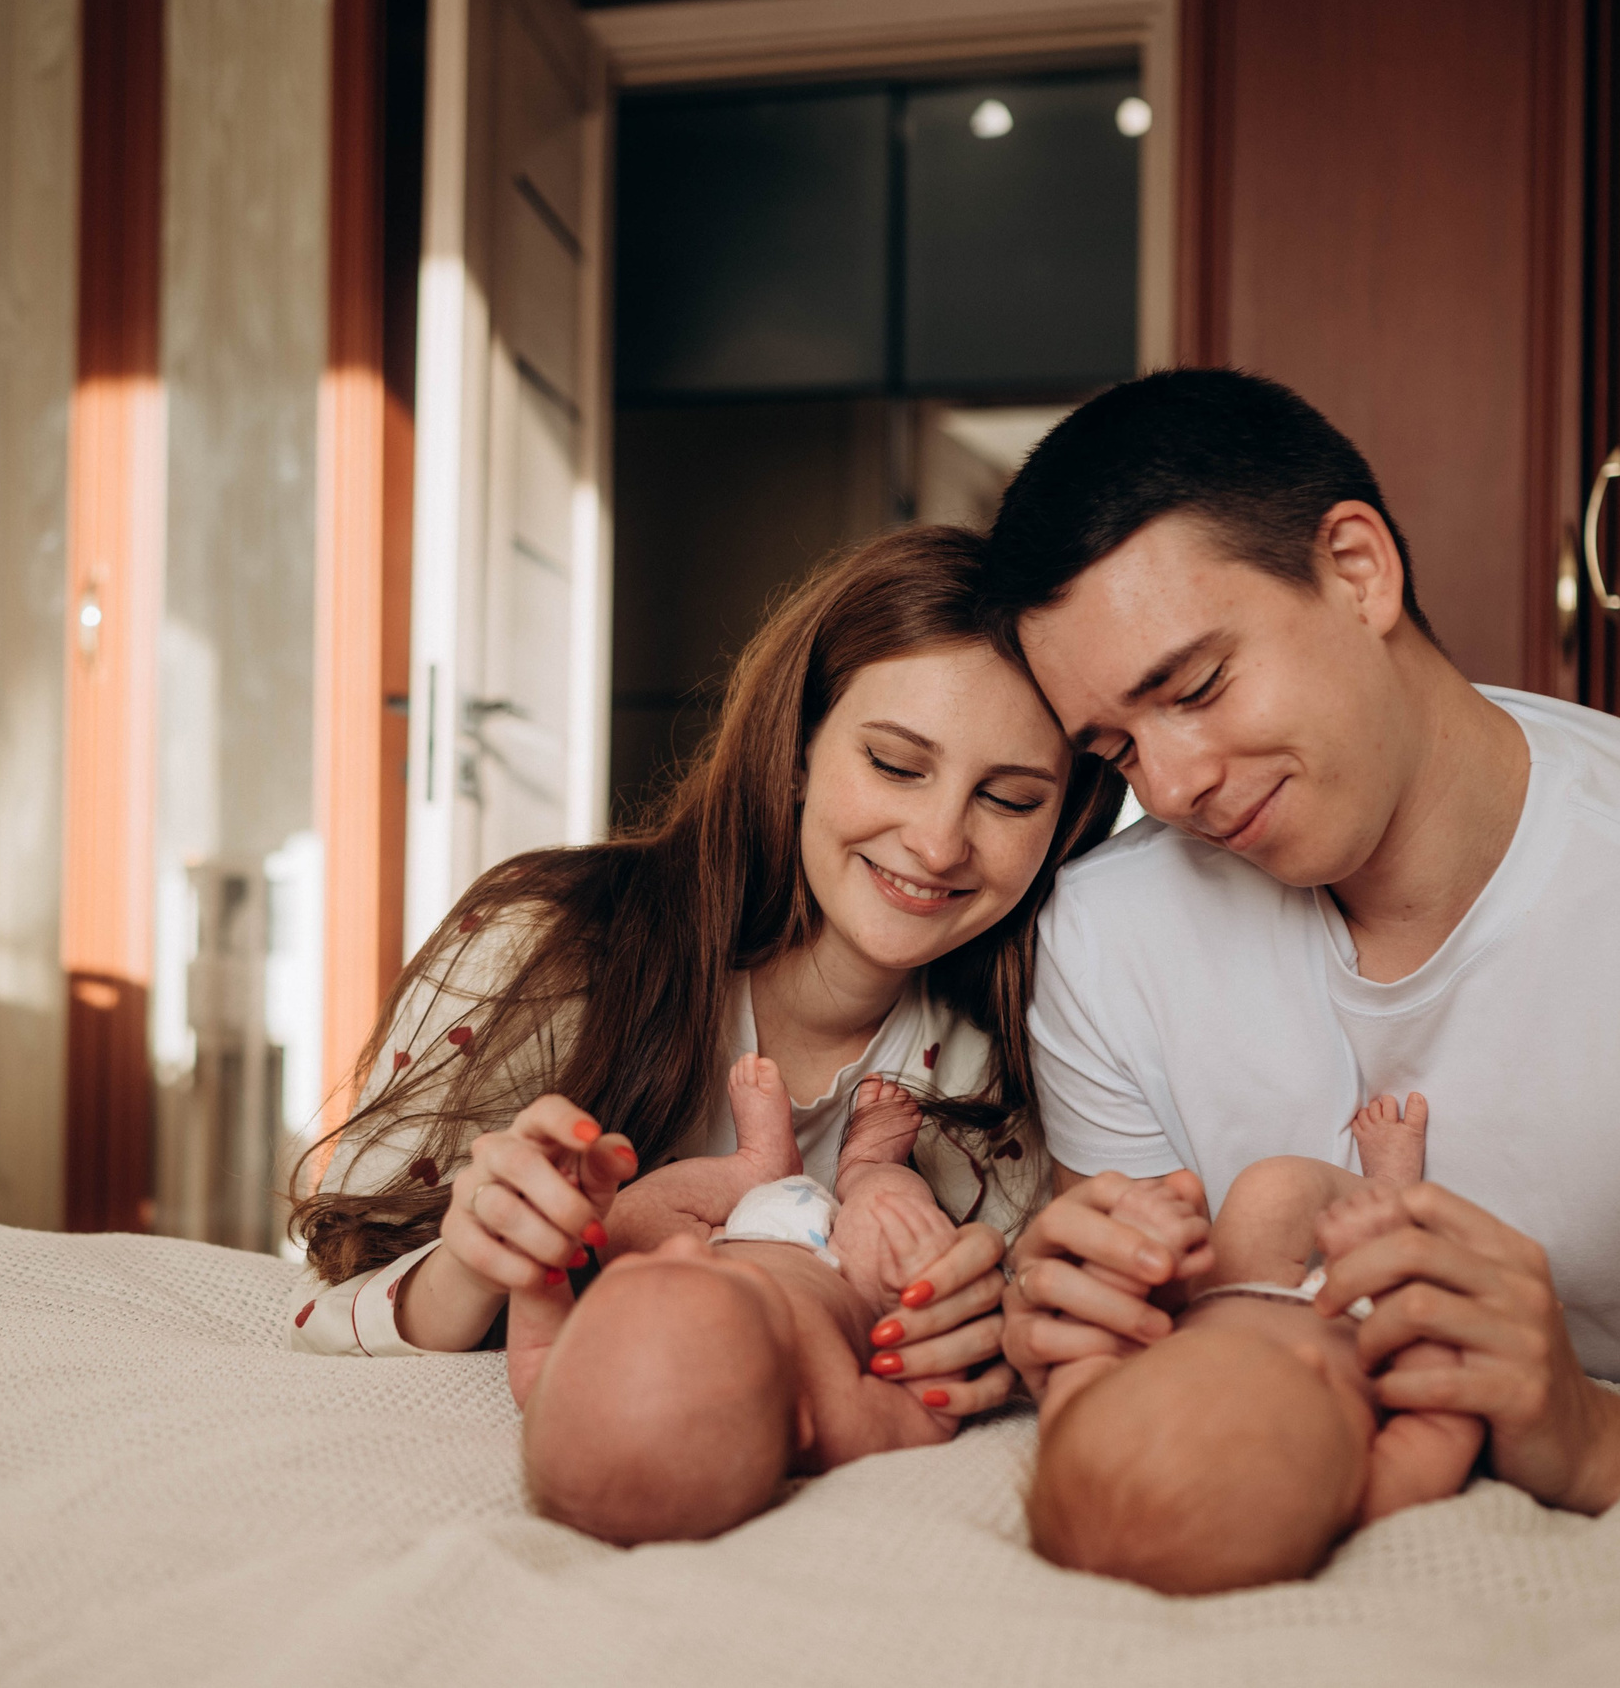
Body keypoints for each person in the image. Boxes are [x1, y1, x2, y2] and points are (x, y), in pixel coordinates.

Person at [981, 367, 1620, 1512]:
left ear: (1356, 570)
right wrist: (1074, 1306)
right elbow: (1161, 1397)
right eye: (1115, 749)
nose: (1172, 785)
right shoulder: (1102, 935)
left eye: (1197, 686)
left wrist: (1598, 1433)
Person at [286, 525, 1124, 1432]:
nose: (938, 841)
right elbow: (326, 1306)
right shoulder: (538, 948)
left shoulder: (1030, 1053)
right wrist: (480, 1257)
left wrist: (990, 1335)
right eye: (894, 763)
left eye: (1009, 798)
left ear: (1066, 819)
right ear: (799, 751)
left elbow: (1032, 1322)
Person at [1029, 1095, 1483, 1595]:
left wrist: (1143, 1247)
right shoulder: (1371, 1496)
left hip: (1227, 1290)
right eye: (1333, 1398)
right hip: (1364, 1313)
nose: (1308, 1362)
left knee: (1269, 1192)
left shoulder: (1081, 1441)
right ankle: (1391, 1193)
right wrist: (1394, 1268)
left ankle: (1355, 1196)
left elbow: (1089, 1341)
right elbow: (1444, 1416)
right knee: (1411, 1263)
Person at [507, 1058, 965, 1544]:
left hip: (731, 1223)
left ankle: (757, 1165)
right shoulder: (831, 1412)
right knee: (889, 1213)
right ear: (798, 1418)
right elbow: (926, 1412)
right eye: (727, 1281)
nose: (683, 1249)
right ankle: (868, 1166)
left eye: (638, 1272)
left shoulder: (563, 1406)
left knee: (620, 1225)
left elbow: (536, 1352)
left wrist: (537, 1257)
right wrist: (922, 1289)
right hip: (842, 1258)